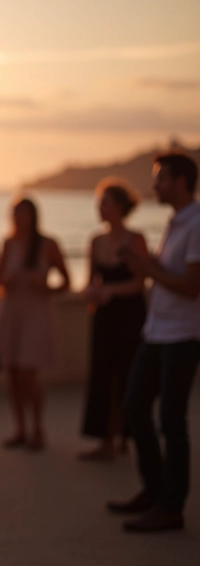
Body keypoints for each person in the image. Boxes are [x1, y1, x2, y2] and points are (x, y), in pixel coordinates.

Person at [109, 152, 200, 533]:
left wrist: (146, 270)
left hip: (183, 335)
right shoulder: (176, 222)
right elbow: (170, 274)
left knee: (171, 420)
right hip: (157, 331)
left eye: (160, 179)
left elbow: (192, 287)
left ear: (180, 182)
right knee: (134, 407)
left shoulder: (196, 224)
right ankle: (154, 489)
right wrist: (143, 264)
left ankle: (171, 506)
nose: (154, 186)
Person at [0, 198, 70, 452]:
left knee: (29, 373)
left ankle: (38, 429)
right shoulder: (8, 243)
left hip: (37, 313)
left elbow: (66, 282)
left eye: (23, 213)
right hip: (11, 311)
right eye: (15, 213)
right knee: (13, 373)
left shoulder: (48, 244)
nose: (18, 218)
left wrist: (45, 286)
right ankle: (21, 429)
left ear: (33, 216)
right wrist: (6, 280)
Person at [78, 179, 147, 461]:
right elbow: (88, 282)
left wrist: (111, 291)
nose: (99, 208)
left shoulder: (136, 239)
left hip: (131, 315)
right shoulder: (95, 240)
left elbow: (140, 282)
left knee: (128, 375)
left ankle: (125, 437)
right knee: (103, 374)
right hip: (104, 316)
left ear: (119, 207)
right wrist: (92, 293)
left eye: (104, 203)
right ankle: (106, 439)